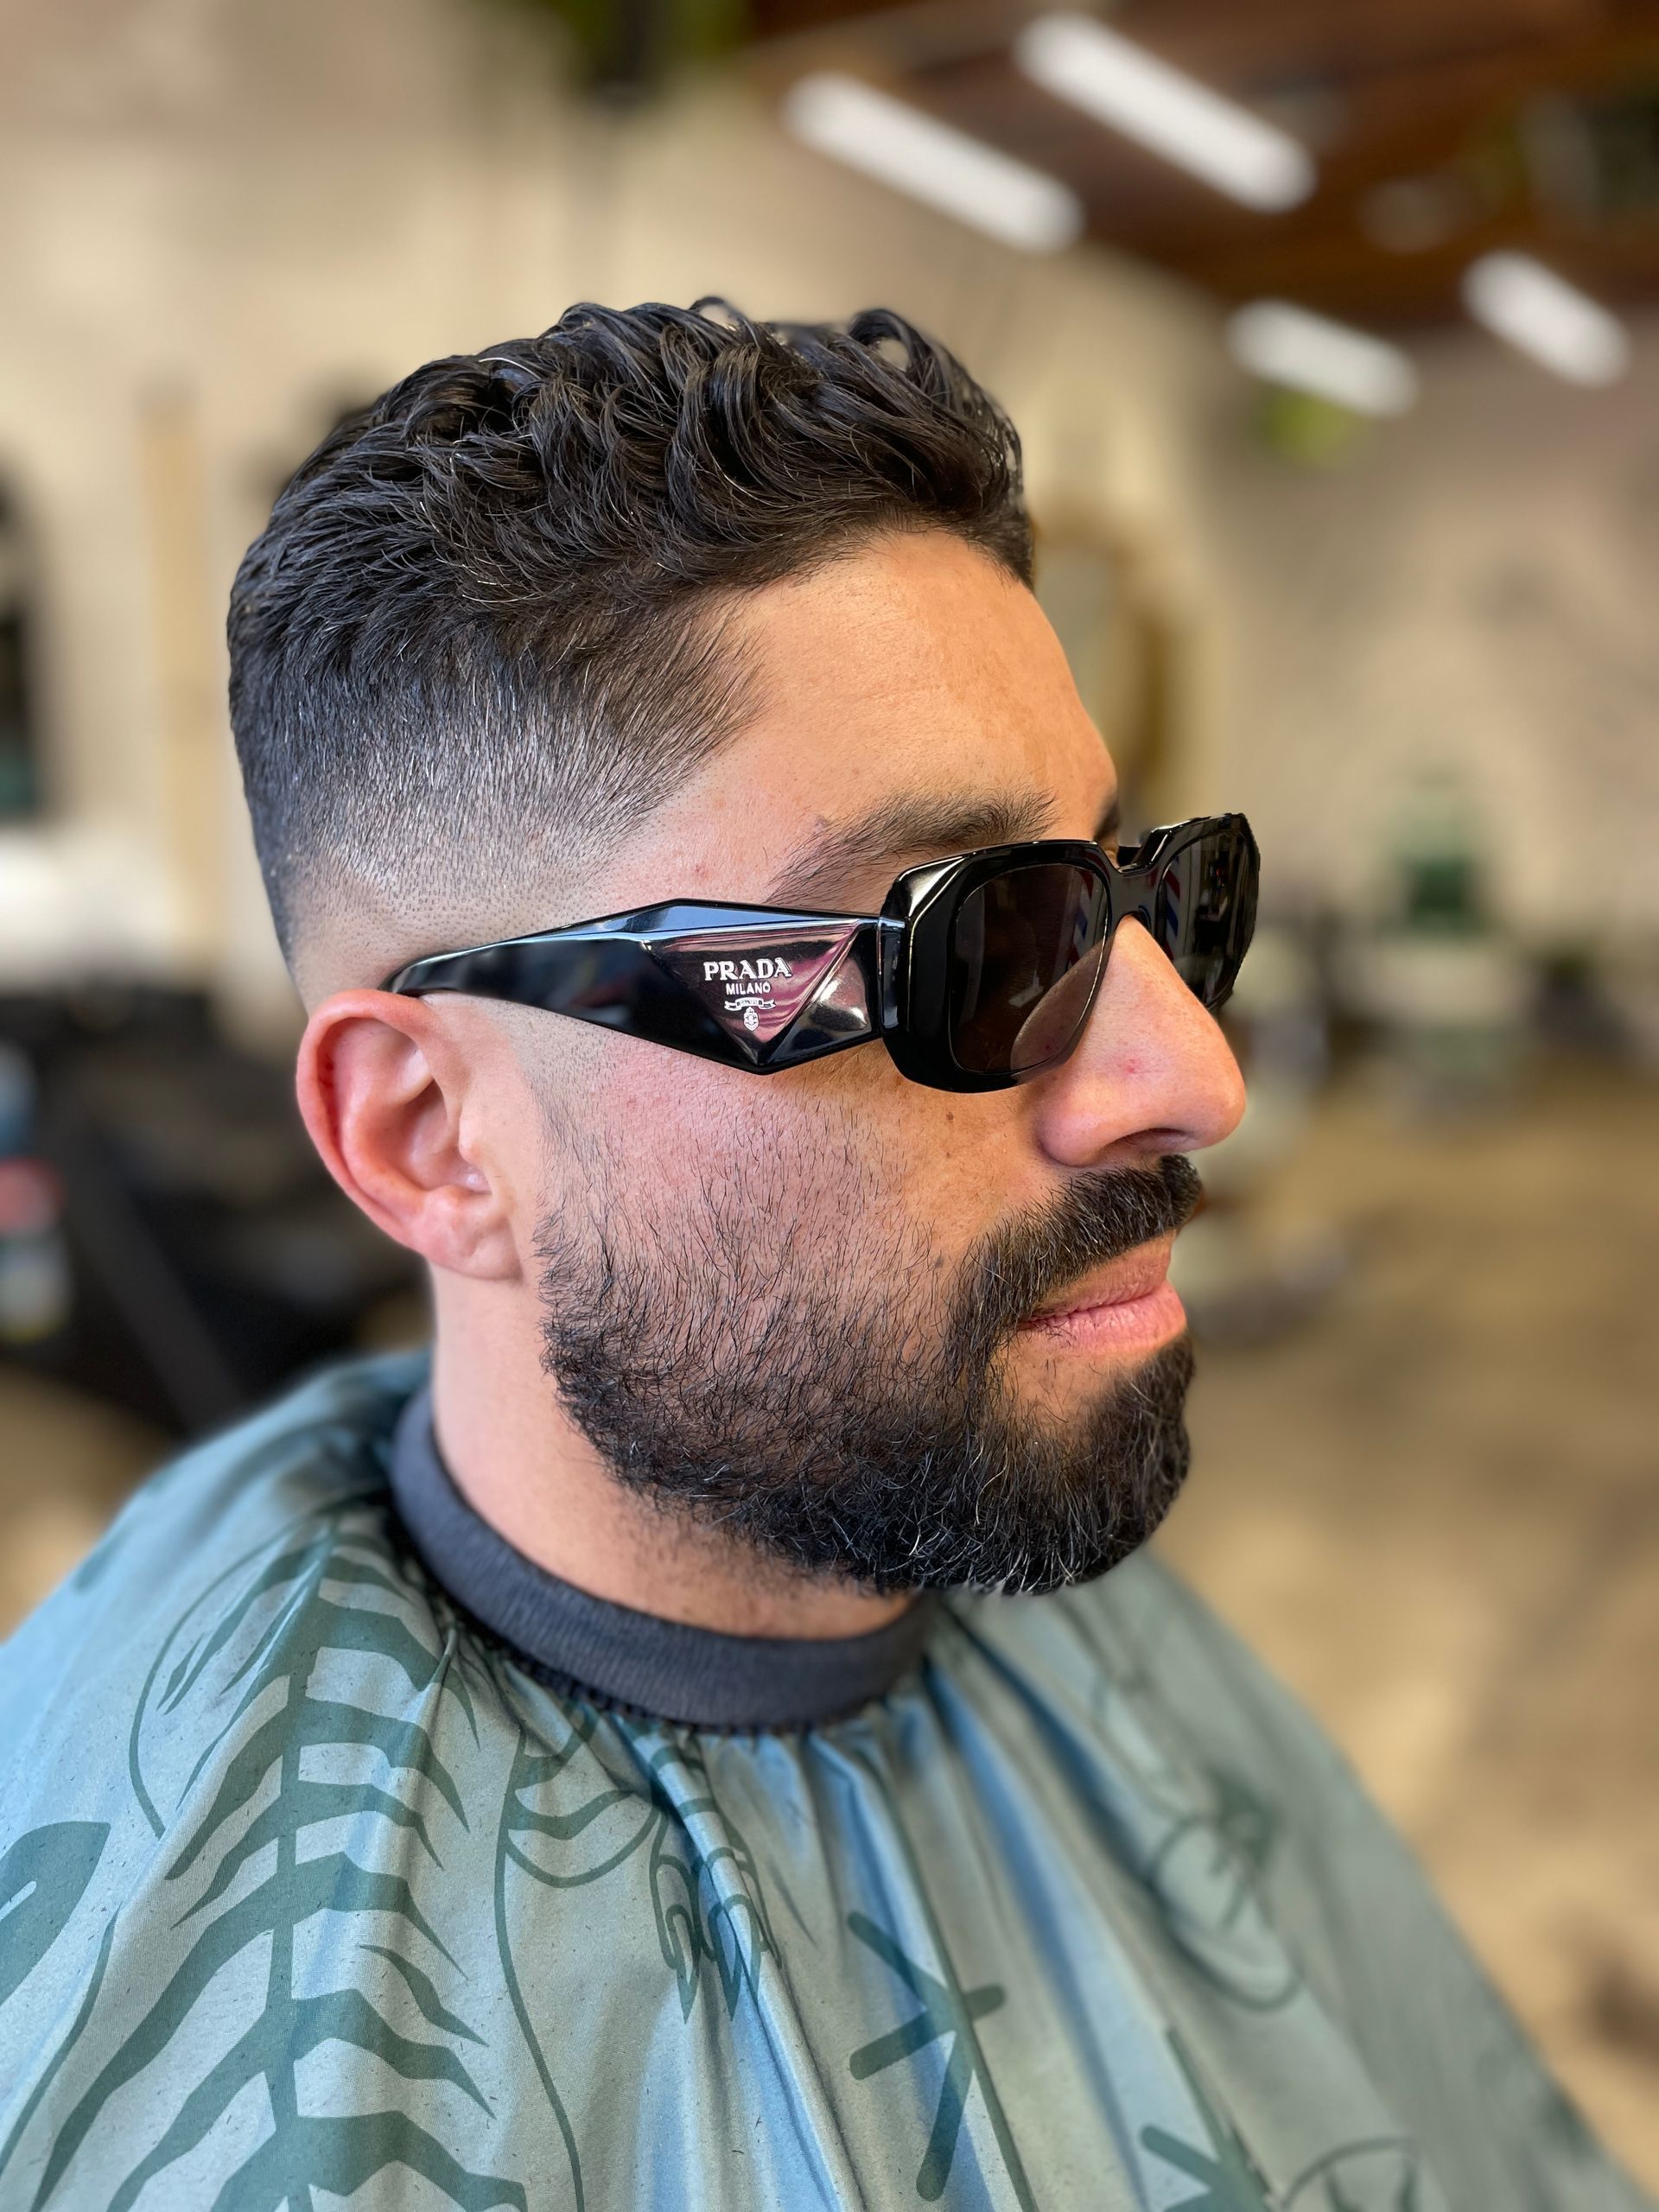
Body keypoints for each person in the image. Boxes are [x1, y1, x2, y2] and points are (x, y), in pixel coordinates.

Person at [0, 304, 1643, 2212]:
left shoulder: (1029, 1580)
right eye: (973, 948)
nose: (1195, 1079)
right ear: (431, 1135)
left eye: (1144, 898)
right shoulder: (222, 2075)